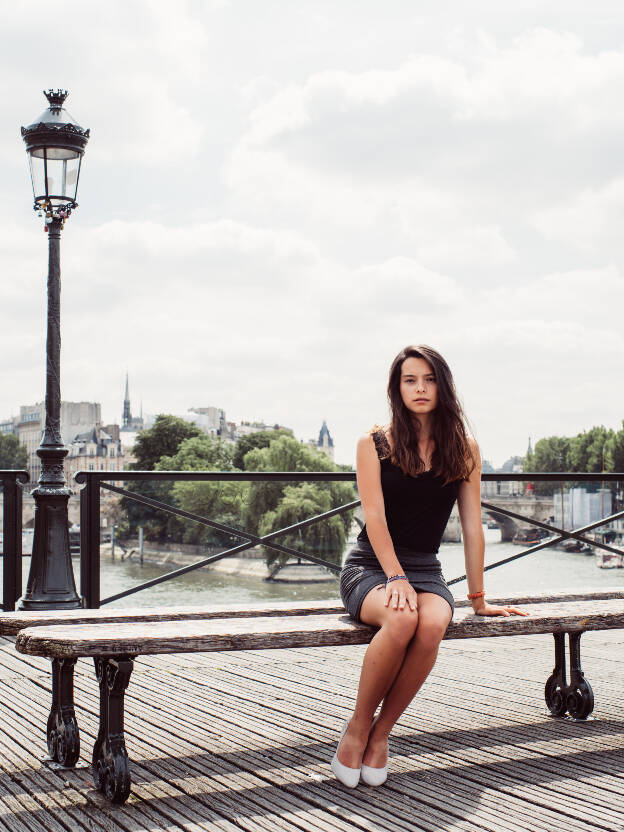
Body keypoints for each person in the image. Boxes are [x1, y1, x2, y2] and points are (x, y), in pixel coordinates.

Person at [332, 344, 528, 788]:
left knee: (434, 620)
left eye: (429, 379)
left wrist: (478, 600)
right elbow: (375, 519)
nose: (420, 389)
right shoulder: (373, 443)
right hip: (371, 566)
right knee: (402, 619)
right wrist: (395, 575)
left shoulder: (464, 448)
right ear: (396, 388)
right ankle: (358, 727)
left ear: (443, 385)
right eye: (409, 380)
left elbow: (474, 528)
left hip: (425, 570)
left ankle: (382, 734)